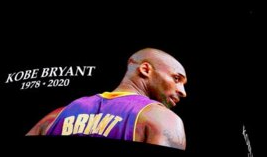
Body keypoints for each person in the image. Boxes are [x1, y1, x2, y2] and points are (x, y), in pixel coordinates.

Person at [26, 48, 188, 150]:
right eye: (176, 78)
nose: (183, 92)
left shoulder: (55, 117)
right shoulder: (163, 120)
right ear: (145, 69)